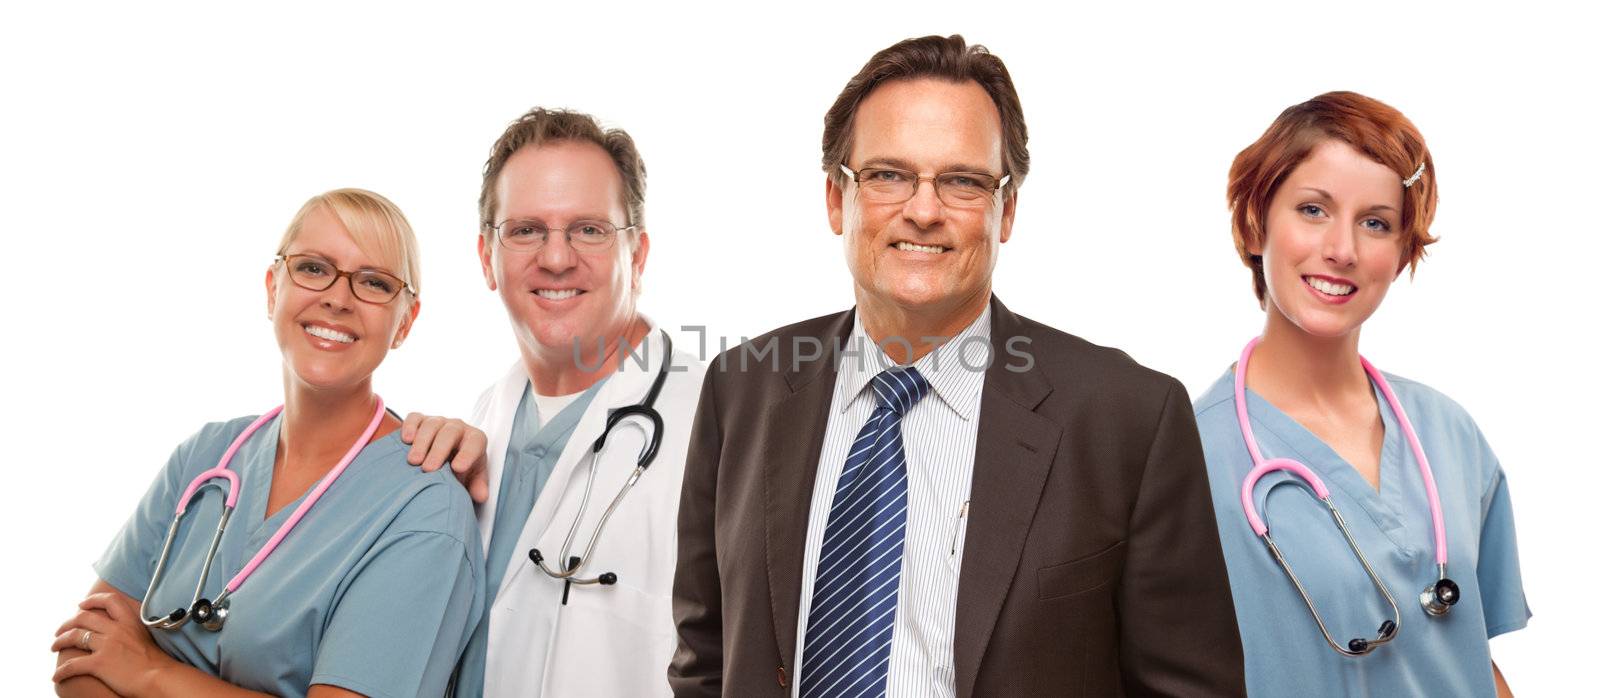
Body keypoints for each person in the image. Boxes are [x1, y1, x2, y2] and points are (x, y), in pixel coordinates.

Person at [670, 35, 1245, 697]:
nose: (923, 210)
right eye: (888, 175)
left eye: (963, 181)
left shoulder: (1128, 420)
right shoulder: (742, 389)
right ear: (836, 199)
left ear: (1007, 211)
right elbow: (705, 661)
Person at [51, 189, 484, 697]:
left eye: (373, 282)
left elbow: (118, 663)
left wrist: (148, 672)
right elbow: (81, 658)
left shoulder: (425, 511)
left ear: (405, 323)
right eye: (314, 268)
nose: (338, 299)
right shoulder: (206, 456)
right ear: (273, 287)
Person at [1192, 91, 1530, 697]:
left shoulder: (1450, 434)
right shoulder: (1186, 459)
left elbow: (1471, 656)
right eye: (1313, 210)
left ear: (1401, 253)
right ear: (1253, 223)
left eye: (1375, 222)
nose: (1342, 250)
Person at [404, 107, 706, 697]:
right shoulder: (481, 421)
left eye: (589, 229)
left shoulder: (715, 425)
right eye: (525, 231)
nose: (557, 258)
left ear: (637, 256)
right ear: (486, 258)